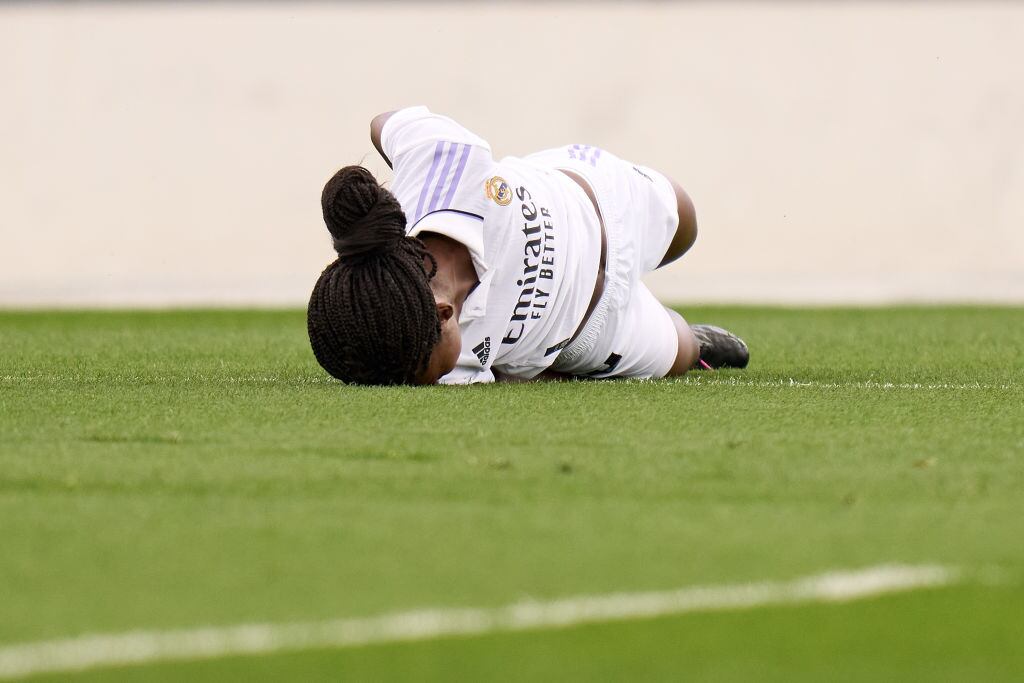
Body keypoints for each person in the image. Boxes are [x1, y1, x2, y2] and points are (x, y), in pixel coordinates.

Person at [307, 106, 748, 385]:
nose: (433, 381)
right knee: (680, 352)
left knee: (686, 223)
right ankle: (699, 342)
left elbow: (385, 123)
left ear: (444, 315)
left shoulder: (444, 166)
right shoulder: (438, 362)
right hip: (591, 336)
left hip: (601, 202)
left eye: (432, 372)